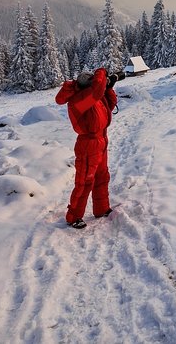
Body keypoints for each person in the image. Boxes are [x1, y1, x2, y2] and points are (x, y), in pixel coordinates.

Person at [55, 67, 120, 229]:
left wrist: (109, 88)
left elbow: (109, 106)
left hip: (101, 141)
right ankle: (73, 217)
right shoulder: (78, 100)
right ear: (86, 86)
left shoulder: (93, 97)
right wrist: (102, 72)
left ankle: (101, 208)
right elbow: (97, 91)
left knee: (102, 177)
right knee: (84, 182)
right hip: (88, 145)